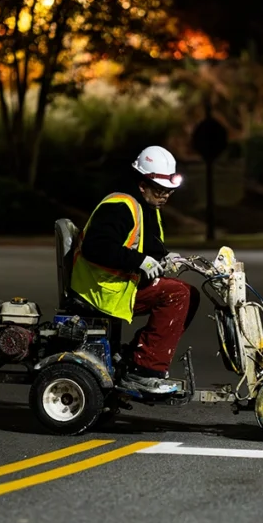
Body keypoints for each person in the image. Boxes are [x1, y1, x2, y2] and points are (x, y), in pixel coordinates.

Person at [69, 145, 201, 394]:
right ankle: (144, 370)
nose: (165, 196)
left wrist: (165, 258)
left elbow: (147, 245)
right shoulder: (120, 206)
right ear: (143, 184)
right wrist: (139, 261)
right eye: (160, 190)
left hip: (120, 285)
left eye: (169, 191)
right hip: (101, 289)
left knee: (188, 293)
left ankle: (137, 355)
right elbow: (95, 248)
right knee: (177, 295)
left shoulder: (146, 207)